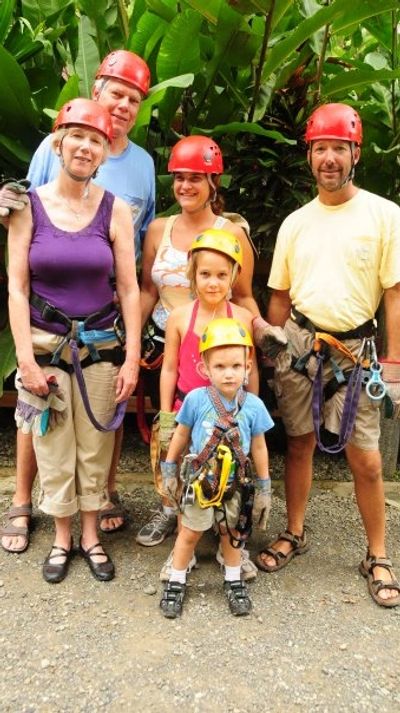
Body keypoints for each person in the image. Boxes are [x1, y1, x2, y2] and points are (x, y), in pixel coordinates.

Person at [0, 50, 155, 552]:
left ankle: (95, 514)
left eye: (134, 99)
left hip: (102, 313)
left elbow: (136, 263)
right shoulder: (52, 159)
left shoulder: (139, 172)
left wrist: (132, 348)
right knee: (43, 422)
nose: (124, 105)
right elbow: (24, 217)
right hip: (48, 318)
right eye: (117, 93)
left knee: (97, 430)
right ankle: (28, 504)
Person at [256, 103, 400, 608]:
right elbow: (279, 295)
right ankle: (294, 532)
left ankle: (378, 554)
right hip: (300, 342)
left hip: (356, 350)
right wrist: (273, 347)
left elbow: (394, 295)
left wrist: (396, 362)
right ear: (310, 156)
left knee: (366, 457)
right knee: (298, 444)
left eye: (340, 148)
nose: (330, 158)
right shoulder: (297, 223)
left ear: (355, 153)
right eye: (322, 149)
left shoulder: (385, 216)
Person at [137, 134, 285, 553]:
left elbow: (244, 294)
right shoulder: (159, 229)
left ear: (213, 182)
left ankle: (226, 527)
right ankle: (172, 507)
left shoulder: (231, 232)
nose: (185, 186)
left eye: (195, 178)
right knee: (174, 440)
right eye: (179, 178)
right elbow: (148, 289)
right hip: (172, 348)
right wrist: (130, 340)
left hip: (225, 350)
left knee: (224, 444)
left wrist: (259, 331)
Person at [158, 228, 258, 580]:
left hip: (232, 416)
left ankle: (230, 546)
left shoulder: (243, 318)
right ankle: (182, 550)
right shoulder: (180, 317)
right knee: (188, 478)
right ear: (193, 275)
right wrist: (167, 414)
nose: (213, 283)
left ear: (233, 276)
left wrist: (252, 409)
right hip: (190, 412)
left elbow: (252, 371)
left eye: (221, 274)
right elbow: (169, 367)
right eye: (205, 274)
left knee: (236, 482)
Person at [159, 318, 274, 619]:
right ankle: (176, 579)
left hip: (237, 484)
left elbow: (259, 447)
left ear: (248, 368)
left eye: (236, 366)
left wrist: (264, 487)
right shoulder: (196, 400)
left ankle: (233, 579)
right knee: (189, 533)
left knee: (232, 533)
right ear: (204, 369)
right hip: (201, 482)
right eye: (220, 366)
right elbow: (181, 434)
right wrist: (169, 468)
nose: (229, 373)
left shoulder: (253, 406)